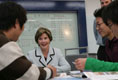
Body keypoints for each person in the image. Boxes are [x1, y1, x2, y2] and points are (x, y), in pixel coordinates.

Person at [0, 1, 56, 80]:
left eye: (46, 38)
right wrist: (50, 71)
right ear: (16, 23)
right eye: (23, 25)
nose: (43, 41)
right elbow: (30, 74)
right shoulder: (4, 44)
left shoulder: (57, 51)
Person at [74, 0, 118, 72]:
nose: (97, 28)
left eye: (99, 24)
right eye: (102, 3)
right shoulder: (107, 44)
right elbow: (109, 68)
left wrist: (92, 64)